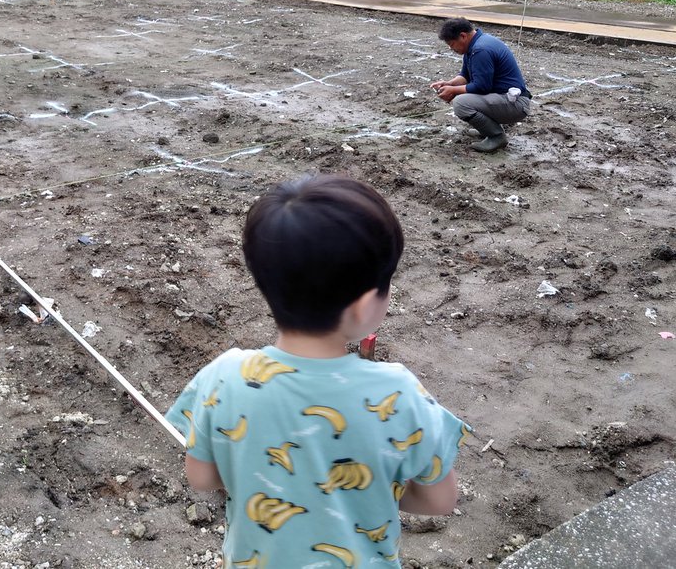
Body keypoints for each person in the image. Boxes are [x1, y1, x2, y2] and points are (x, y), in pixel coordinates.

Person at [167, 175, 468, 568]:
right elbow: (439, 500)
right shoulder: (400, 393)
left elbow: (202, 478)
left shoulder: (223, 377)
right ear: (364, 307)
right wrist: (368, 492)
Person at [430, 17, 531, 153]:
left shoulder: (480, 49)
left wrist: (453, 90)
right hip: (506, 99)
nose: (450, 48)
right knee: (464, 98)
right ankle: (487, 129)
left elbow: (481, 87)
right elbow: (465, 76)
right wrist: (449, 84)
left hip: (516, 104)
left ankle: (496, 136)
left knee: (461, 103)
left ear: (463, 36)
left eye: (451, 44)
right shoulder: (475, 45)